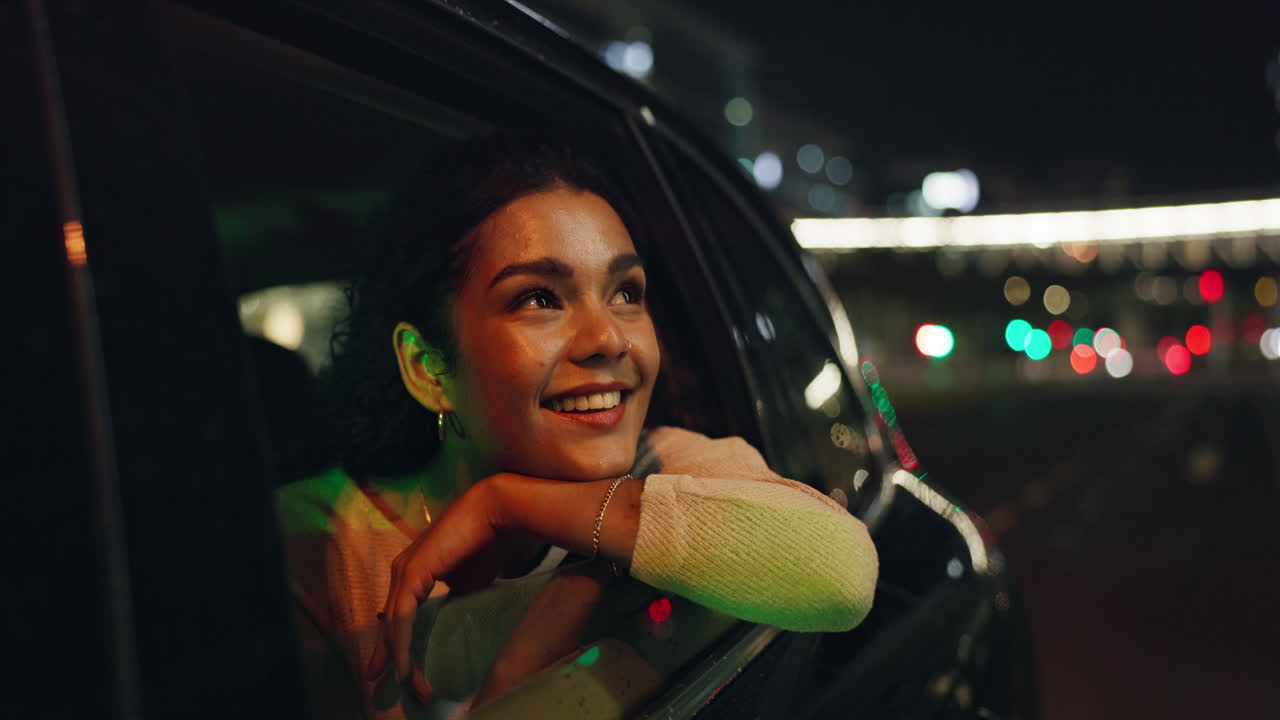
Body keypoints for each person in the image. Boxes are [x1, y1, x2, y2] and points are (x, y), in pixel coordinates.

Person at [276, 133, 878, 719]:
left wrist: (506, 504)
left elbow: (843, 574)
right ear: (427, 366)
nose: (608, 338)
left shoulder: (669, 465)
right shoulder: (309, 552)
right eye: (539, 298)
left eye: (625, 292)